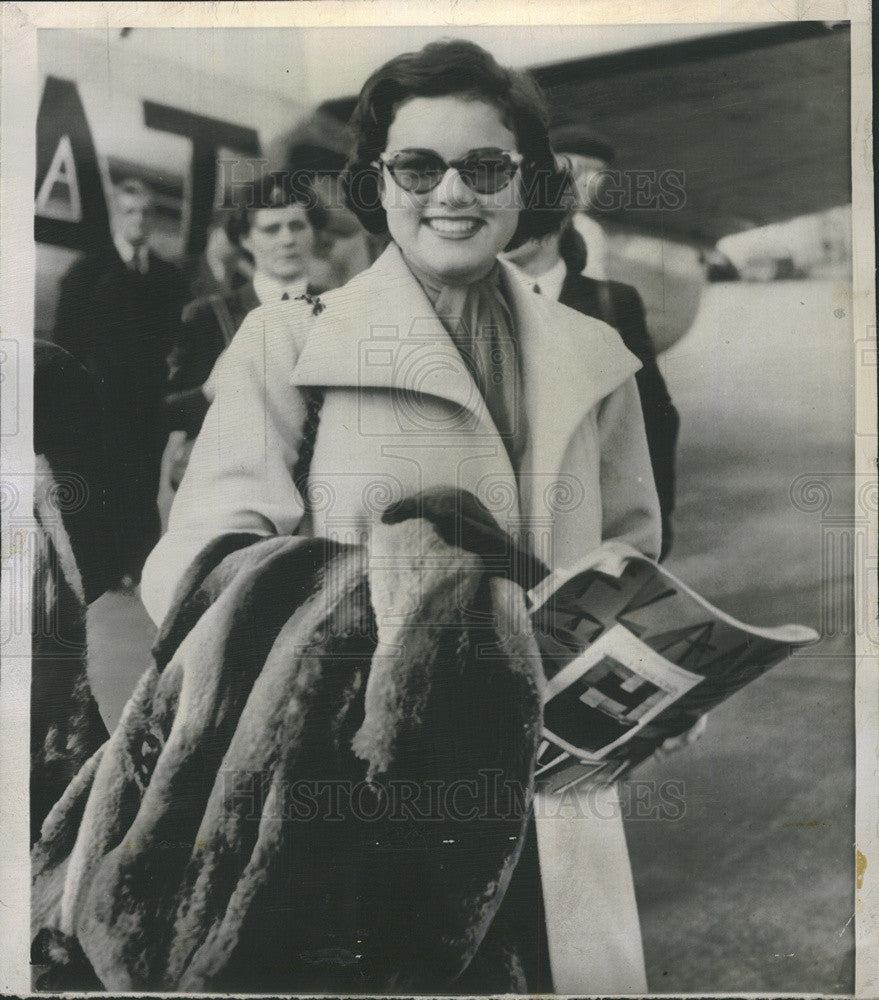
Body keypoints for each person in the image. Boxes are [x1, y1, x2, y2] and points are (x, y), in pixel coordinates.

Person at [142, 40, 661, 993]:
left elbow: (630, 554)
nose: (452, 192)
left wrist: (653, 675)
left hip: (553, 797)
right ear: (375, 183)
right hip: (349, 796)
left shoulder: (599, 355)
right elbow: (194, 566)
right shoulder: (289, 341)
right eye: (418, 166)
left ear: (525, 183)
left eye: (487, 165)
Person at [504, 217, 680, 557]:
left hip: (586, 521)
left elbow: (655, 417)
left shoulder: (613, 302)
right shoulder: (481, 303)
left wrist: (656, 519)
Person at [53, 177, 186, 587]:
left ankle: (138, 563)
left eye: (147, 212)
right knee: (101, 479)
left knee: (143, 480)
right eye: (130, 211)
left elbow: (175, 340)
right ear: (115, 215)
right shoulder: (86, 272)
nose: (140, 220)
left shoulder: (166, 277)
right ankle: (104, 567)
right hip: (99, 403)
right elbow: (66, 341)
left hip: (146, 404)